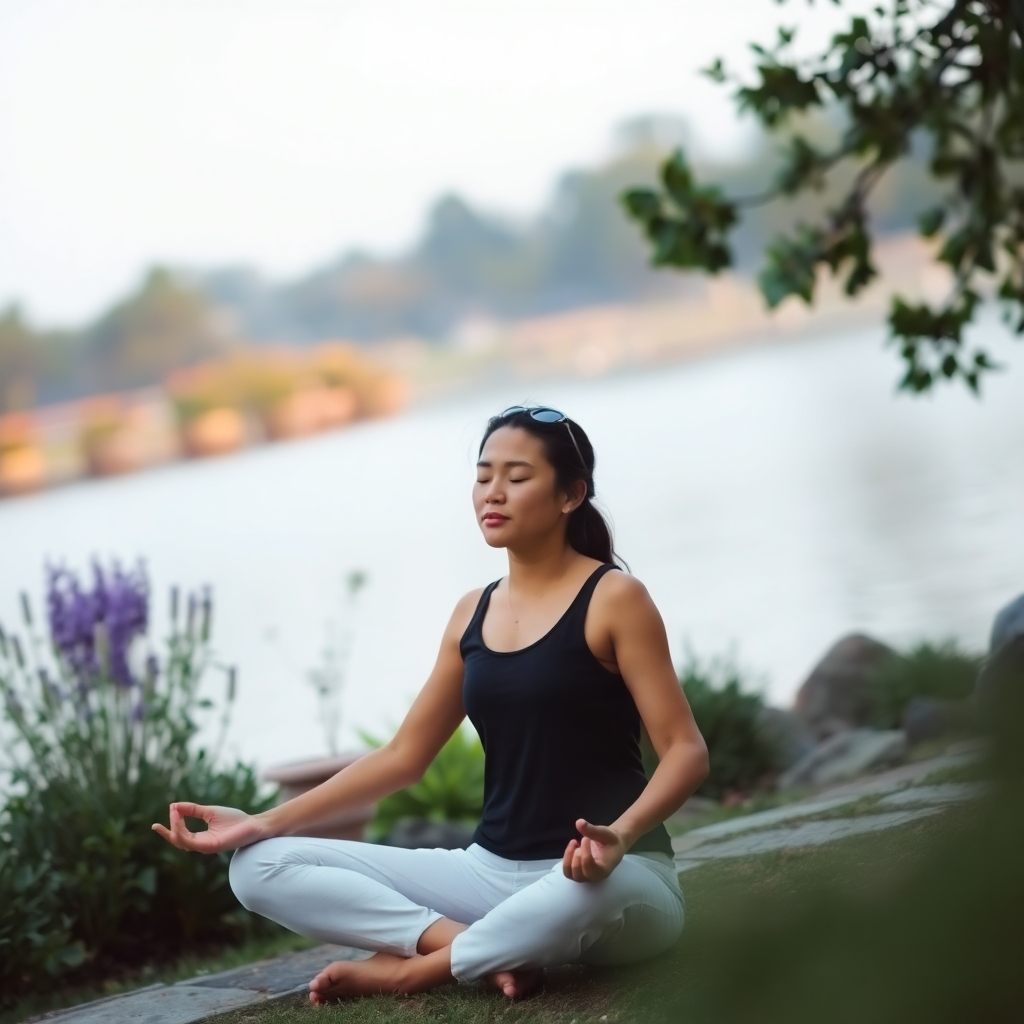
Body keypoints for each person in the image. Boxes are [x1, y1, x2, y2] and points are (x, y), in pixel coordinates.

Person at [153, 406, 709, 1002]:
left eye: (517, 478)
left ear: (571, 494)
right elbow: (402, 757)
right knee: (258, 867)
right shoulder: (473, 611)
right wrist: (262, 823)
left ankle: (415, 968)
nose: (492, 493)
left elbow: (685, 750)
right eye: (483, 475)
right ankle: (465, 942)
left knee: (588, 893)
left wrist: (620, 837)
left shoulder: (614, 598)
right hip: (489, 873)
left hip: (613, 877)